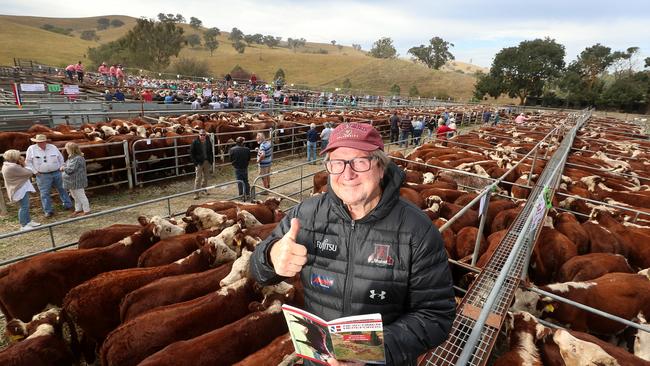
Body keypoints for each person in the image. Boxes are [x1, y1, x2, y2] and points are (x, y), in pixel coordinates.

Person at [250, 122, 455, 366]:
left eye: (360, 161)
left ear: (380, 167)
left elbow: (436, 315)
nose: (347, 174)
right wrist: (270, 256)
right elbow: (257, 270)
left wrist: (370, 350)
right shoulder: (305, 216)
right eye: (337, 163)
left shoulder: (417, 230)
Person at [25, 134, 73, 217]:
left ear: (46, 141)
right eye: (39, 142)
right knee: (44, 193)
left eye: (43, 141)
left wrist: (62, 166)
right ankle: (48, 211)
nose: (41, 143)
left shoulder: (52, 147)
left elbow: (61, 158)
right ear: (36, 142)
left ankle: (68, 205)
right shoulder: (31, 149)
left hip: (57, 172)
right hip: (42, 175)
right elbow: (28, 162)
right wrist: (35, 172)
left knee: (63, 189)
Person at [1, 150, 41, 231]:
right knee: (24, 207)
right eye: (18, 156)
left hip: (20, 188)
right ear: (14, 157)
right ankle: (23, 225)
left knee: (25, 206)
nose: (20, 157)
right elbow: (29, 172)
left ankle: (28, 221)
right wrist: (24, 163)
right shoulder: (13, 167)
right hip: (19, 189)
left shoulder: (8, 165)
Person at [61, 142, 90, 216]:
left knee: (81, 195)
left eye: (67, 149)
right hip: (71, 181)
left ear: (71, 150)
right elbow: (66, 164)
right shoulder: (71, 157)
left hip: (77, 180)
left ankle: (86, 210)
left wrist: (63, 168)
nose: (66, 150)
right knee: (75, 196)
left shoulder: (77, 158)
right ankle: (78, 209)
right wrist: (64, 166)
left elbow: (71, 169)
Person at [190, 130, 213, 199]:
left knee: (206, 177)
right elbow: (191, 153)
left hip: (207, 161)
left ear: (205, 135)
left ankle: (204, 189)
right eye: (201, 135)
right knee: (198, 178)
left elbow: (210, 151)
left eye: (204, 135)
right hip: (199, 163)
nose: (202, 136)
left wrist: (211, 161)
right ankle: (196, 193)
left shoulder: (208, 142)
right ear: (198, 135)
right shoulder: (195, 142)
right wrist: (195, 163)